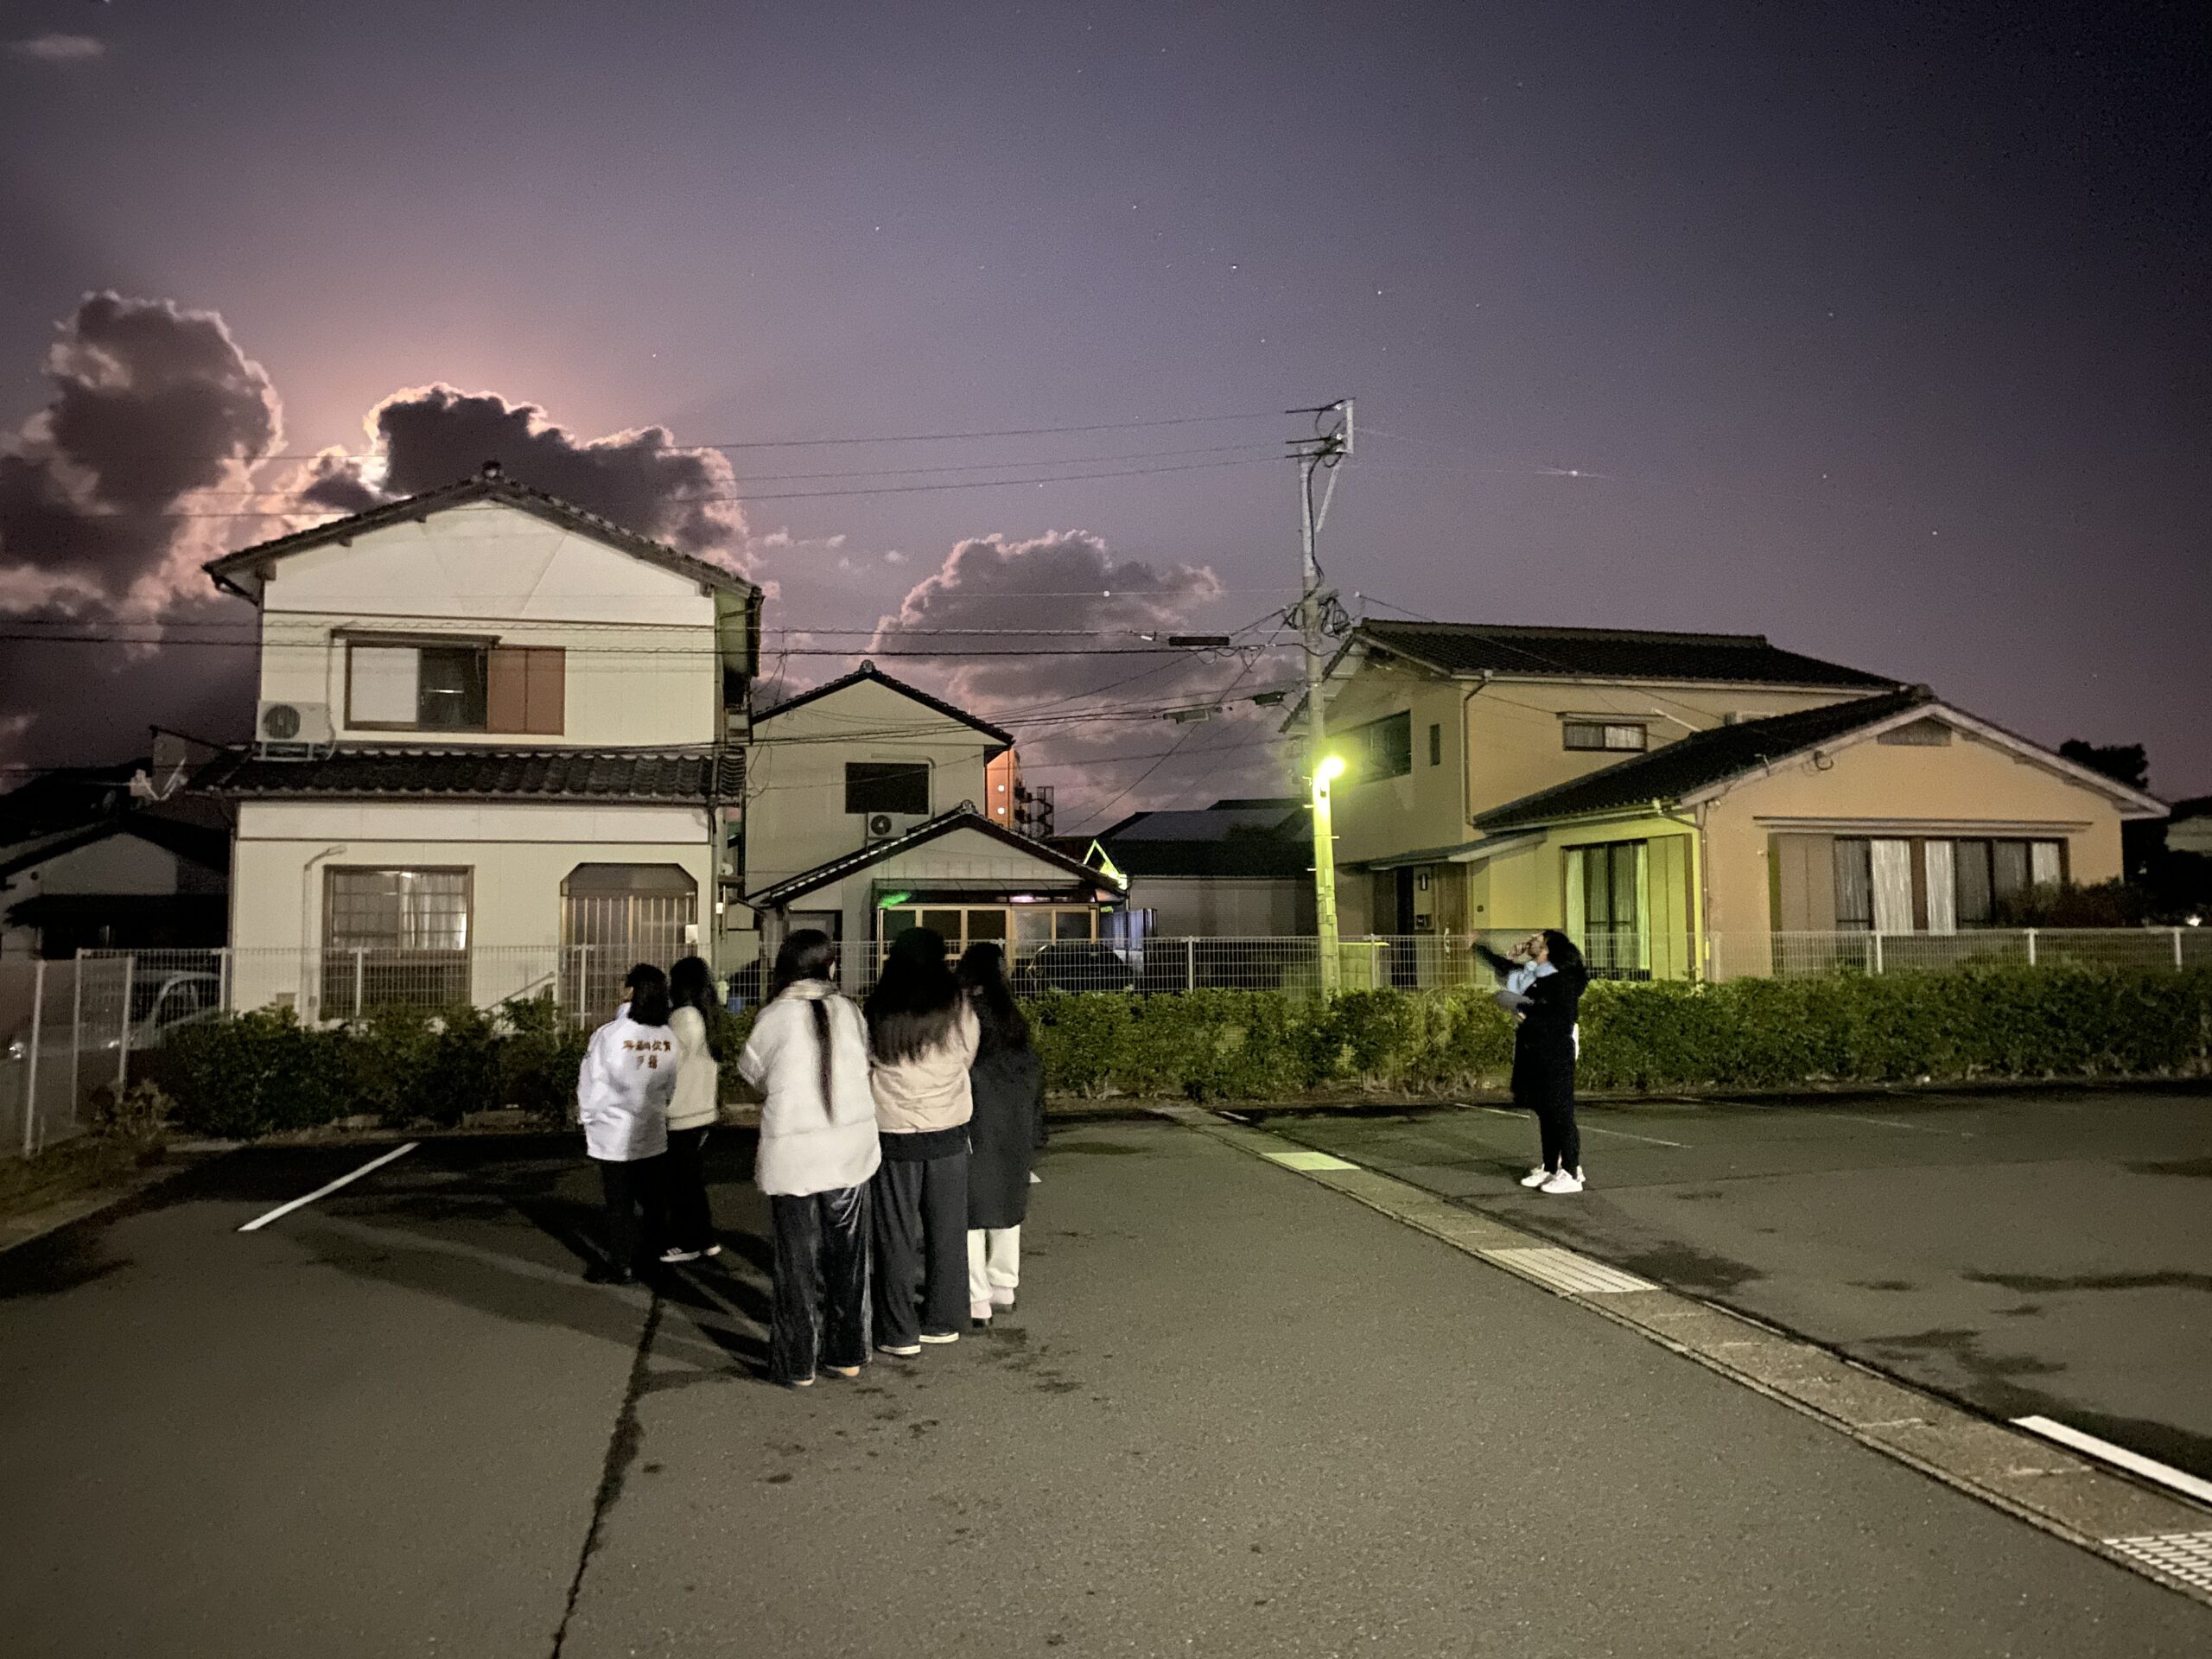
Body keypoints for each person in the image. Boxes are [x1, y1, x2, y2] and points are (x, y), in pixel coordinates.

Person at [738, 931, 881, 1388]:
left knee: (796, 1264)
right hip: (848, 1153)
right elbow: (864, 1067)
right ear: (828, 967)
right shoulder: (851, 1012)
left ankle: (797, 1362)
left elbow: (752, 1072)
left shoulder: (773, 1017)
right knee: (848, 1260)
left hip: (794, 1156)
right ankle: (848, 1353)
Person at [863, 926, 979, 1354]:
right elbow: (968, 1053)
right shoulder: (956, 1003)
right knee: (947, 1231)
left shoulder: (878, 1005)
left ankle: (897, 1330)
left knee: (894, 1233)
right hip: (948, 1128)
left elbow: (867, 1061)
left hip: (894, 1131)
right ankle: (943, 1319)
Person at [957, 941, 1046, 1325]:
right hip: (1015, 1122)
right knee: (1007, 1205)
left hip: (975, 1118)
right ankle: (1004, 1286)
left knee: (970, 1211)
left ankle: (976, 1298)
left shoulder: (963, 1012)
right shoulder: (1012, 1014)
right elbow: (1033, 1072)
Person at [576, 962, 677, 1281]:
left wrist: (588, 1119)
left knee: (619, 1205)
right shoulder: (667, 1037)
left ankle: (622, 1264)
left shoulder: (609, 1035)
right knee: (653, 1203)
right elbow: (669, 1086)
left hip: (612, 1134)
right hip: (651, 1132)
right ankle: (654, 1260)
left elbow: (591, 1083)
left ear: (631, 992)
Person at [1476, 931, 1591, 1194]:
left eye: (1537, 938)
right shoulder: (1536, 974)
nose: (1531, 938)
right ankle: (1551, 1167)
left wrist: (1525, 1015)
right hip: (1536, 1048)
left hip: (1554, 1050)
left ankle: (1571, 1172)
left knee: (1560, 1112)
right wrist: (1481, 948)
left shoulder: (1561, 979)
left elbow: (1560, 1020)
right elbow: (1507, 971)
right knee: (1545, 1110)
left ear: (1548, 948)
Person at [658, 956, 722, 1264]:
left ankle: (688, 1242)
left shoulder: (682, 1018)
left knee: (680, 1184)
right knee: (691, 1181)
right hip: (701, 1110)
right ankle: (705, 1238)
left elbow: (665, 1065)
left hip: (681, 1112)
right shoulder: (705, 1015)